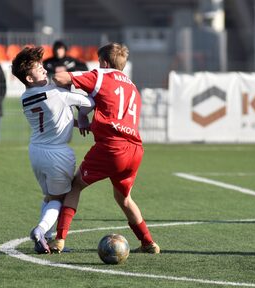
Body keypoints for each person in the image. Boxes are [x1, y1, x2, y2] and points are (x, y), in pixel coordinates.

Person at [50, 43, 161, 254]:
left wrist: (76, 100)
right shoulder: (133, 87)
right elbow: (117, 120)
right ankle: (148, 243)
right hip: (134, 149)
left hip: (112, 148)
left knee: (75, 186)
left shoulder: (100, 76)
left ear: (103, 62)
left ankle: (59, 239)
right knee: (124, 198)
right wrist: (86, 123)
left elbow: (60, 78)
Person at [11, 46, 94, 254]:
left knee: (49, 197)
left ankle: (45, 239)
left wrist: (76, 121)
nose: (45, 70)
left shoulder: (25, 97)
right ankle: (40, 230)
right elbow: (90, 102)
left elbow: (55, 119)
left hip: (36, 151)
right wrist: (83, 116)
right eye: (39, 69)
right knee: (61, 199)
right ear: (29, 78)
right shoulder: (57, 94)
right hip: (57, 154)